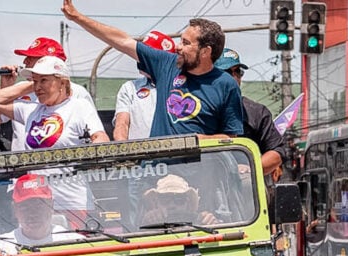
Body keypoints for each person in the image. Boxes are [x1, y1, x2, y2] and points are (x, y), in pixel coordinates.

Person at [63, 0, 243, 139]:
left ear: (205, 51)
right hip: (156, 172)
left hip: (200, 176)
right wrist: (77, 17)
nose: (178, 47)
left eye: (186, 43)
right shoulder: (167, 64)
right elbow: (123, 41)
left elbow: (231, 138)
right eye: (180, 40)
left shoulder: (226, 85)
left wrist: (200, 140)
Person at [0, 56, 106, 212]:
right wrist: (30, 86)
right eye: (35, 81)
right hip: (39, 202)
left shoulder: (79, 106)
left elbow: (100, 138)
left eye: (44, 80)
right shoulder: (31, 110)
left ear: (62, 82)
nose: (38, 87)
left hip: (72, 202)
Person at [0, 36, 97, 150]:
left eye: (31, 57)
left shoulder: (78, 94)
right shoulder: (18, 91)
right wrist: (7, 86)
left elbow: (94, 135)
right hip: (22, 166)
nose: (24, 61)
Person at [214, 48, 285, 177]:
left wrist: (251, 168)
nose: (234, 77)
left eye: (238, 72)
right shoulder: (198, 111)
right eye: (227, 72)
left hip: (248, 192)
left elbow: (277, 152)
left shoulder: (257, 112)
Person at [0, 174, 78, 255]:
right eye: (25, 207)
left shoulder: (74, 243)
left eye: (38, 206)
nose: (32, 213)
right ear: (15, 210)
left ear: (51, 206)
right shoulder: (0, 246)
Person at [113, 31, 177, 141]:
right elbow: (122, 123)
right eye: (140, 54)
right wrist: (123, 150)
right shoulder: (129, 88)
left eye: (147, 55)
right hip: (139, 155)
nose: (140, 58)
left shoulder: (179, 87)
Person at [139, 174, 219, 226]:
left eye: (179, 199)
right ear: (156, 203)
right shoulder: (148, 223)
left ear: (187, 204)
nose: (172, 205)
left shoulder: (201, 221)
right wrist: (146, 225)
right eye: (165, 199)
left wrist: (212, 224)